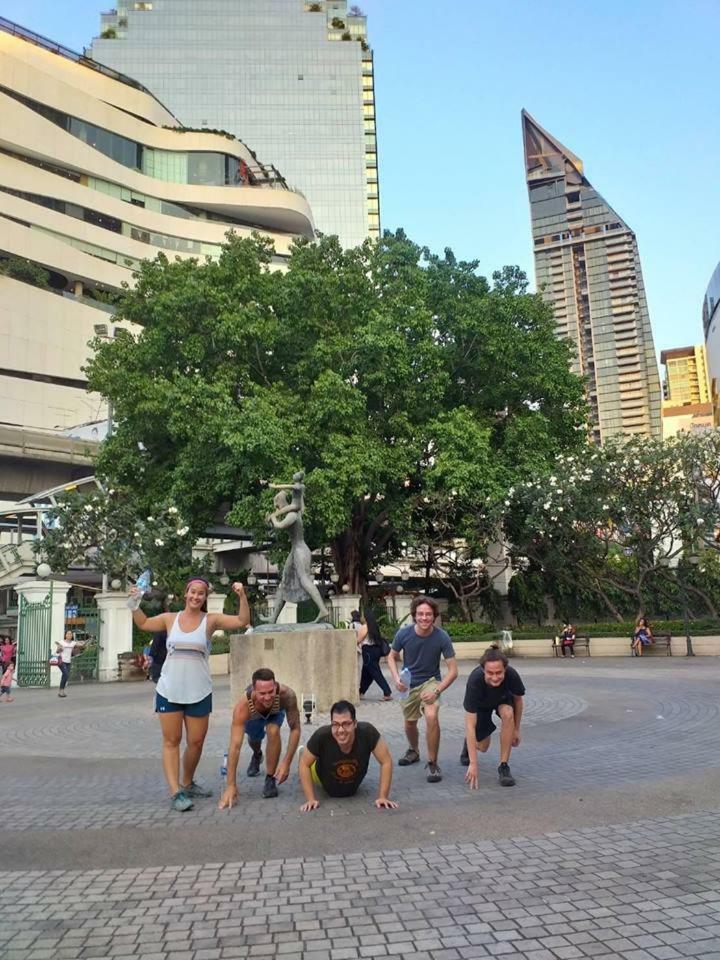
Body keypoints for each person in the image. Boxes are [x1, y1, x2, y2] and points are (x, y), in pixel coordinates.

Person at [130, 577, 250, 812]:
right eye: (193, 592)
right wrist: (134, 602)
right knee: (171, 741)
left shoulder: (210, 620)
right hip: (169, 690)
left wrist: (242, 595)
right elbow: (143, 623)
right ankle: (176, 792)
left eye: (201, 594)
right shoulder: (169, 619)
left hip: (199, 691)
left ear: (205, 597)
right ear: (186, 594)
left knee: (196, 743)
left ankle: (187, 782)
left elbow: (242, 620)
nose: (196, 597)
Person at [387, 595, 458, 783]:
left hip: (431, 682)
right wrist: (396, 678)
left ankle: (433, 762)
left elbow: (453, 671)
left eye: (428, 614)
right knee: (410, 723)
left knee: (431, 716)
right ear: (414, 615)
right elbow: (390, 656)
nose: (424, 618)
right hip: (409, 682)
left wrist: (437, 690)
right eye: (420, 614)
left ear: (434, 616)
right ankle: (414, 750)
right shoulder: (404, 634)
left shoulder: (442, 636)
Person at [218, 668, 301, 806]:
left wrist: (287, 762)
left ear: (275, 686)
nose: (267, 697)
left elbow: (295, 729)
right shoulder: (243, 707)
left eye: (270, 692)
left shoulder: (287, 695)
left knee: (273, 731)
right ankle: (257, 754)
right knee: (254, 739)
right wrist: (231, 785)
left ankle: (270, 779)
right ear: (254, 690)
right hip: (254, 715)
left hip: (275, 713)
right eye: (262, 693)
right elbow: (235, 746)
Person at [298, 700, 397, 812]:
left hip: (350, 784)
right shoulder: (322, 736)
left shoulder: (367, 733)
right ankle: (304, 752)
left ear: (355, 723)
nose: (341, 730)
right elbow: (304, 764)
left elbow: (386, 761)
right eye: (335, 724)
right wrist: (311, 799)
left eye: (346, 724)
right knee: (306, 762)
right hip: (319, 775)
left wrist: (383, 797)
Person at [462, 647, 525, 787]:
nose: (495, 677)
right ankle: (468, 744)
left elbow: (518, 700)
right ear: (483, 670)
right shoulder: (474, 681)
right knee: (483, 747)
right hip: (482, 706)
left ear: (505, 669)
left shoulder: (512, 675)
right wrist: (473, 763)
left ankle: (504, 766)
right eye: (490, 673)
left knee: (508, 714)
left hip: (503, 700)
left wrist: (516, 729)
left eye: (499, 673)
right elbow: (469, 724)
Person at [357, 608, 392, 700]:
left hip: (368, 651)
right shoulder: (374, 626)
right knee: (367, 673)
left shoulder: (365, 627)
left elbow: (358, 640)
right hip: (376, 650)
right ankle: (361, 692)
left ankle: (387, 692)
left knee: (375, 672)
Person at [56, 629, 81, 698]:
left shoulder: (73, 643)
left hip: (68, 662)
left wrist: (87, 642)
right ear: (65, 635)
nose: (69, 635)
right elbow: (57, 651)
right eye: (68, 634)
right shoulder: (61, 642)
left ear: (72, 635)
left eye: (70, 634)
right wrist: (60, 649)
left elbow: (81, 645)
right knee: (66, 675)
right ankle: (61, 691)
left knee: (65, 676)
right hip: (61, 661)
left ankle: (62, 691)